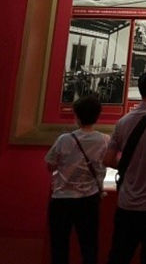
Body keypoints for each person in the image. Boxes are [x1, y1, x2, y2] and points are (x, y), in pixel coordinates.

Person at [103, 71, 146, 264]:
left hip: (126, 203)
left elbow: (108, 159)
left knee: (120, 255)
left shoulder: (123, 121)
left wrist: (128, 167)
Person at [45, 96, 110, 264]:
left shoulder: (64, 139)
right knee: (89, 246)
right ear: (97, 116)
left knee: (59, 247)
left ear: (77, 116)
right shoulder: (104, 140)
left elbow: (50, 165)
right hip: (88, 199)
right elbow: (109, 161)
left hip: (62, 199)